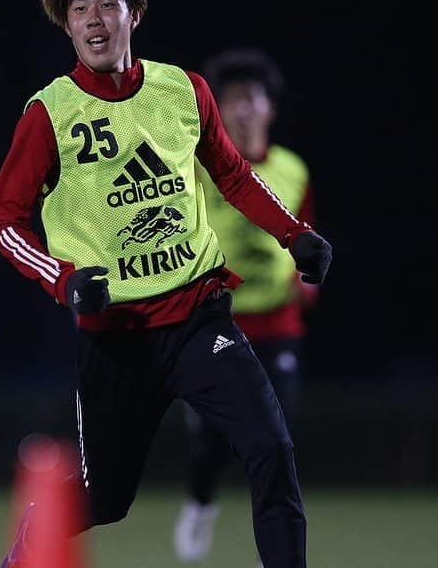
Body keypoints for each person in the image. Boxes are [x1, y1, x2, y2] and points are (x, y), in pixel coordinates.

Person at [0, 0, 332, 568]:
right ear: (67, 26)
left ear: (133, 14)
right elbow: (6, 222)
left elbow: (231, 175)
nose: (95, 16)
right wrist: (63, 281)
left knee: (270, 448)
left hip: (200, 316)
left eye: (107, 2)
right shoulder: (50, 115)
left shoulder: (183, 90)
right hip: (117, 334)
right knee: (107, 498)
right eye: (80, 7)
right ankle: (31, 539)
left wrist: (294, 235)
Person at [172, 49, 320, 565]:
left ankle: (275, 551)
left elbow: (304, 237)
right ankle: (200, 502)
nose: (241, 109)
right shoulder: (196, 167)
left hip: (278, 325)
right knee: (215, 443)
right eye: (230, 100)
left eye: (251, 99)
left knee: (274, 441)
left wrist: (308, 279)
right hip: (216, 322)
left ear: (269, 109)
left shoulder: (292, 169)